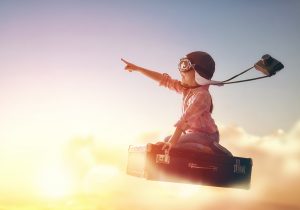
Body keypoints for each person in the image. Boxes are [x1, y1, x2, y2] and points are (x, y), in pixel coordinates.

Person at [122, 51, 224, 154]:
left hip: (208, 136)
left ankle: (210, 150)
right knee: (167, 140)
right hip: (194, 133)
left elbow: (185, 119)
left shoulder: (202, 95)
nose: (181, 71)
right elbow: (165, 80)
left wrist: (172, 143)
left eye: (185, 66)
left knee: (175, 144)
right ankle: (198, 148)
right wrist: (138, 69)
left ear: (199, 74)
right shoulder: (186, 89)